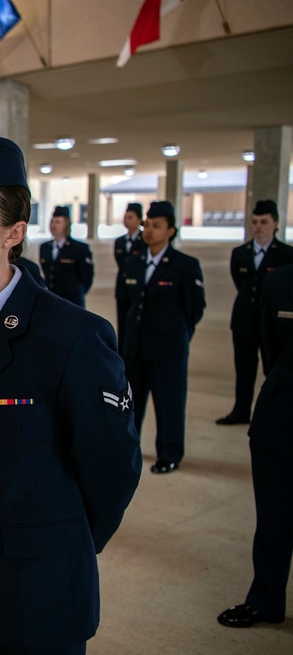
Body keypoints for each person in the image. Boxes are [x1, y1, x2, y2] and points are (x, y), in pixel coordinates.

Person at [0, 136, 142, 654]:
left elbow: (112, 468)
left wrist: (59, 546)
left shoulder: (74, 337)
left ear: (14, 232)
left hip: (34, 591)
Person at [217, 263, 293, 630]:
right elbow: (271, 350)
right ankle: (266, 599)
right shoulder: (280, 282)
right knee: (273, 519)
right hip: (282, 417)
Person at [120, 201, 205, 474]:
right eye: (147, 225)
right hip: (135, 347)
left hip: (168, 348)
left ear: (171, 231)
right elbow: (125, 305)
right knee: (130, 405)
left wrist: (179, 335)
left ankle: (169, 453)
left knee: (169, 403)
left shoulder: (185, 266)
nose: (149, 230)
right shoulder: (133, 263)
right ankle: (126, 450)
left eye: (157, 226)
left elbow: (194, 308)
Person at [217, 199, 293, 426]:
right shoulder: (240, 253)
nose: (258, 226)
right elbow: (240, 283)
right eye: (255, 222)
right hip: (243, 321)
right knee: (244, 369)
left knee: (275, 368)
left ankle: (276, 412)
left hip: (273, 322)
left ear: (276, 223)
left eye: (264, 222)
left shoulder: (287, 254)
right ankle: (241, 410)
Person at [39, 206, 94, 307]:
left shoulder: (79, 248)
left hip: (72, 301)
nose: (53, 225)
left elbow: (87, 277)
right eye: (52, 222)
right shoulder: (45, 247)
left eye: (58, 222)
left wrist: (77, 292)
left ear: (66, 224)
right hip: (52, 298)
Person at [113, 203, 147, 351]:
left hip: (138, 289)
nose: (126, 220)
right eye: (125, 217)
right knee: (122, 323)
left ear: (140, 220)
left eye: (131, 217)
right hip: (122, 289)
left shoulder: (145, 241)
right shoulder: (119, 242)